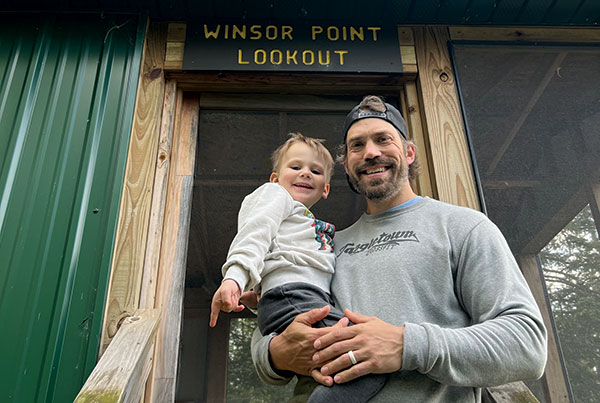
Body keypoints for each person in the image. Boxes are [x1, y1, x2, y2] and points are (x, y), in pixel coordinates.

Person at [251, 96, 548, 402]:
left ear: (408, 152)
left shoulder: (463, 227)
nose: (370, 153)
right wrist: (274, 355)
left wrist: (406, 345)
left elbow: (527, 345)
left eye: (383, 139)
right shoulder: (323, 244)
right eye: (357, 145)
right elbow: (269, 335)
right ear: (346, 165)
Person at [210, 132, 387, 402]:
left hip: (296, 300)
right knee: (369, 353)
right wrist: (235, 277)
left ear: (325, 188)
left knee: (332, 365)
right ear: (275, 179)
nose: (305, 173)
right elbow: (255, 234)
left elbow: (280, 257)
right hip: (294, 298)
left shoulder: (299, 219)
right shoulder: (274, 196)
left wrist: (258, 297)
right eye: (295, 167)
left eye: (315, 171)